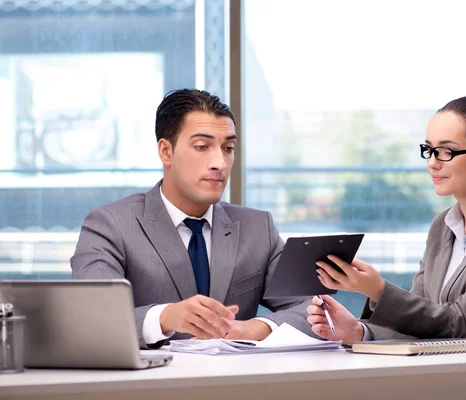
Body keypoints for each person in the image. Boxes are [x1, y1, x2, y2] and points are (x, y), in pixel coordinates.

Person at [307, 95, 466, 352]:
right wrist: (358, 331)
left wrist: (377, 290)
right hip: (460, 374)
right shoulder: (442, 226)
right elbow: (423, 320)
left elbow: (461, 323)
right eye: (429, 150)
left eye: (446, 151)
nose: (432, 163)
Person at [72, 89, 312, 349]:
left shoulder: (257, 229)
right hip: (149, 386)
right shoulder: (110, 225)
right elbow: (92, 319)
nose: (219, 163)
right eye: (202, 147)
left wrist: (255, 327)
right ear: (166, 151)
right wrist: (164, 318)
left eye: (228, 148)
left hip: (236, 384)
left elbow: (314, 310)